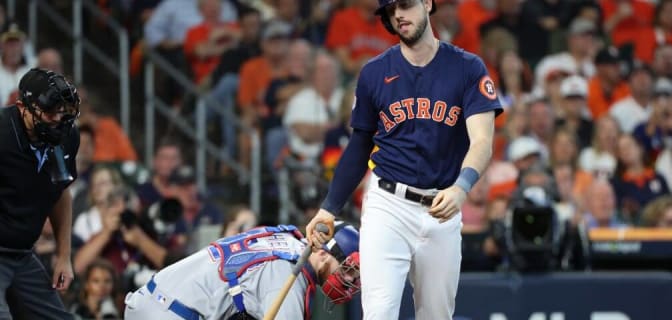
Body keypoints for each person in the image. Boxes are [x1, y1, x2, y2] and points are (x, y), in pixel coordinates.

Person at [305, 0, 503, 318]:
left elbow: (482, 141)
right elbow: (359, 145)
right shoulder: (375, 72)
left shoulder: (468, 67)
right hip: (388, 204)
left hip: (442, 207)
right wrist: (329, 207)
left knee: (436, 314)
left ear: (427, 3)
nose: (398, 14)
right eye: (390, 9)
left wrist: (462, 186)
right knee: (379, 313)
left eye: (406, 4)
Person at [123, 222, 361, 320]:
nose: (351, 280)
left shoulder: (284, 239)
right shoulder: (289, 275)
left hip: (153, 300)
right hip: (171, 314)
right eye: (349, 269)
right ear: (321, 252)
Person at [0, 68, 81, 318]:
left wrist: (64, 255)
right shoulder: (2, 135)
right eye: (50, 111)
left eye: (63, 111)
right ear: (23, 108)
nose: (58, 118)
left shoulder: (66, 137)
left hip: (22, 254)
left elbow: (61, 189)